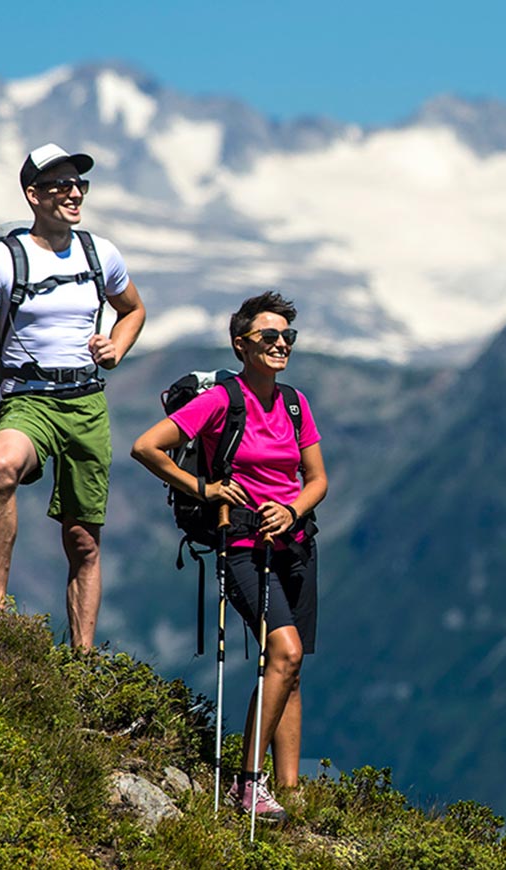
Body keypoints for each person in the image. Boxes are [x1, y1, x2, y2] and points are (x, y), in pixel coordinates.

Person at [131, 291, 327, 822]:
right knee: (284, 652)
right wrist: (204, 488)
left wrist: (291, 509)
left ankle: (290, 792)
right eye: (270, 336)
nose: (282, 344)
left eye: (288, 336)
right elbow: (146, 446)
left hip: (295, 544)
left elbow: (317, 479)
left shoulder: (294, 403)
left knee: (289, 666)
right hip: (242, 547)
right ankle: (250, 783)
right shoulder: (221, 401)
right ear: (241, 344)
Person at [0, 143, 146, 650]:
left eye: (79, 184)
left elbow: (132, 310)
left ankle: (83, 659)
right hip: (27, 399)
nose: (74, 193)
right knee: (1, 465)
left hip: (86, 402)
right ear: (33, 195)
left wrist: (115, 348)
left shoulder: (101, 254)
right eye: (61, 185)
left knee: (83, 541)